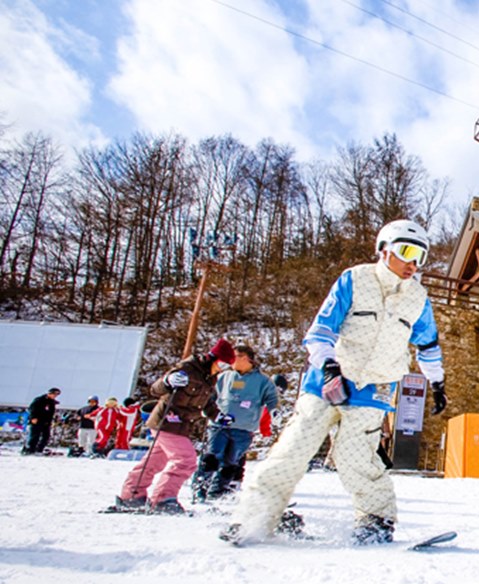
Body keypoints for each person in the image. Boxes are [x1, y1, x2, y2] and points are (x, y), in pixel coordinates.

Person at [223, 220, 448, 546]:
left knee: (356, 457)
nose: (413, 263)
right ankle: (254, 516)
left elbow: (427, 344)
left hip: (376, 387)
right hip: (327, 383)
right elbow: (320, 332)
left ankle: (375, 520)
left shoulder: (418, 298)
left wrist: (437, 383)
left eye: (421, 257)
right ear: (384, 250)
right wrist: (329, 366)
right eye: (407, 252)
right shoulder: (355, 280)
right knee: (294, 449)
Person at [111, 339, 237, 514]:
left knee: (155, 460)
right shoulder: (188, 368)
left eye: (227, 367)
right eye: (222, 364)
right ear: (212, 358)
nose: (222, 369)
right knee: (185, 460)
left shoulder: (210, 377)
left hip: (182, 425)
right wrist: (168, 381)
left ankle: (132, 494)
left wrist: (218, 416)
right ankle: (163, 499)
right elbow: (156, 389)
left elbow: (207, 403)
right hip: (166, 421)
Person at [195, 344, 279, 501]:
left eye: (237, 356)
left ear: (248, 359)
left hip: (244, 427)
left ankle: (217, 491)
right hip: (219, 424)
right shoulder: (224, 376)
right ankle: (200, 488)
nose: (232, 360)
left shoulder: (263, 381)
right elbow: (211, 394)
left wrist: (273, 409)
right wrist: (205, 409)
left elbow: (272, 398)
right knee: (212, 456)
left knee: (231, 462)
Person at [21, 387, 60, 455]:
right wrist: (33, 417)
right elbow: (32, 408)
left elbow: (51, 412)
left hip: (46, 422)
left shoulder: (52, 402)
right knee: (35, 436)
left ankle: (39, 449)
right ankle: (30, 449)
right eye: (54, 394)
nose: (55, 396)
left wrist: (53, 420)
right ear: (49, 393)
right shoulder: (39, 400)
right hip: (37, 420)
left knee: (46, 436)